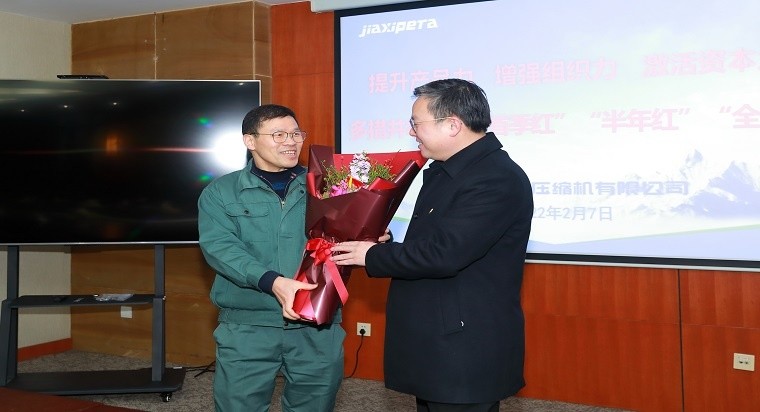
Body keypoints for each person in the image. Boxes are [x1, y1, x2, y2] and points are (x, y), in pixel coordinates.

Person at [331, 78, 534, 412]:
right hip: (440, 338)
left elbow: (445, 253)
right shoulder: (450, 170)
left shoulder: (494, 177)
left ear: (452, 124)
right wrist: (388, 242)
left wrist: (373, 255)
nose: (411, 132)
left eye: (416, 123)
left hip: (464, 344)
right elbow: (439, 240)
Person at [197, 104, 343, 412]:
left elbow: (347, 233)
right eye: (279, 135)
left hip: (316, 323)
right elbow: (221, 248)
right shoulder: (222, 192)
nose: (291, 142)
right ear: (250, 141)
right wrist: (272, 282)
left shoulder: (328, 185)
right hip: (248, 324)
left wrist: (373, 236)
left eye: (296, 134)